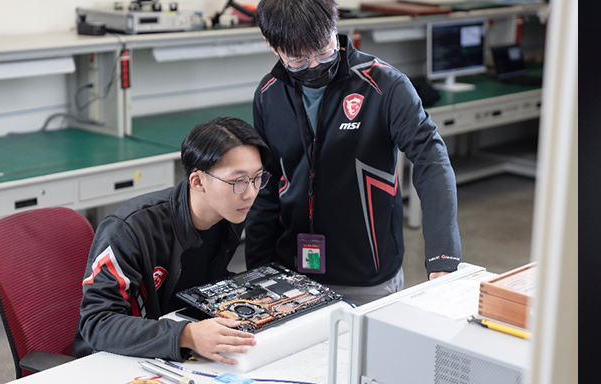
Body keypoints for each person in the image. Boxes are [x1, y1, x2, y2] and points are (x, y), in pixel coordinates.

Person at [245, 0, 462, 305]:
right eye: (297, 60)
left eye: (323, 51)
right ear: (271, 45)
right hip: (288, 274)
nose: (315, 66)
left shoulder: (385, 86)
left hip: (367, 276)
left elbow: (431, 159)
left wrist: (443, 258)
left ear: (335, 27)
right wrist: (257, 272)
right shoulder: (268, 95)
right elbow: (265, 188)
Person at [74, 117, 271, 365]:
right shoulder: (129, 229)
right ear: (198, 181)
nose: (252, 192)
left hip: (175, 351)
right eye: (239, 181)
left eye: (258, 178)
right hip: (112, 360)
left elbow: (200, 279)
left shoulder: (229, 212)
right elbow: (97, 324)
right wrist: (186, 335)